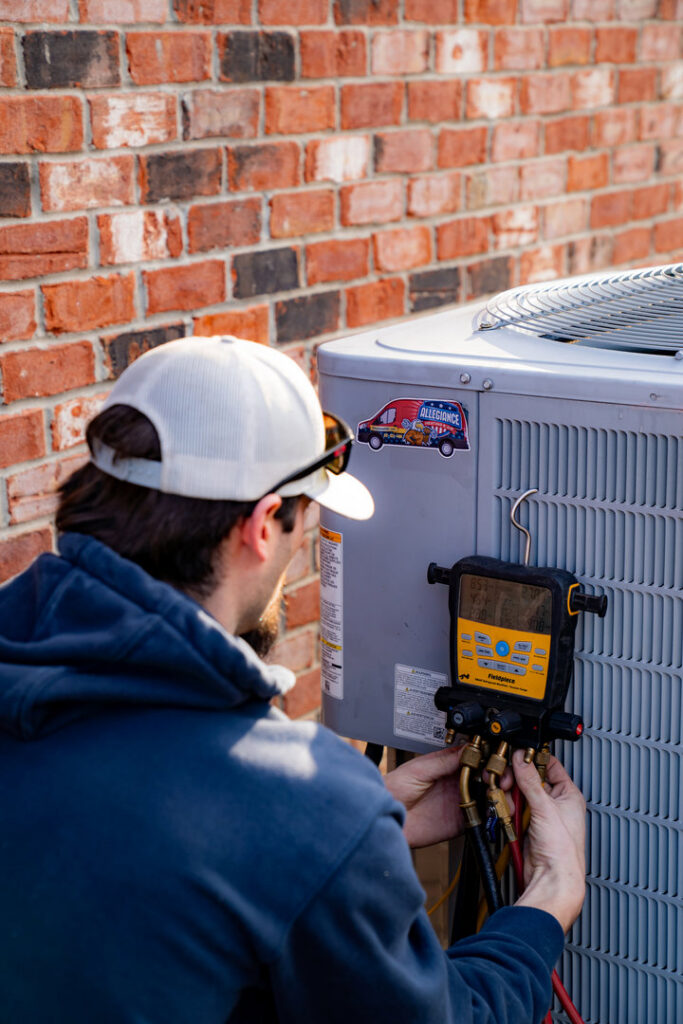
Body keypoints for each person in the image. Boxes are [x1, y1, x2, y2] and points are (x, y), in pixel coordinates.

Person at [0, 336, 585, 1023]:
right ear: (259, 525)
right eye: (307, 523)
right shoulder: (300, 807)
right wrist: (547, 900)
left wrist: (357, 835)